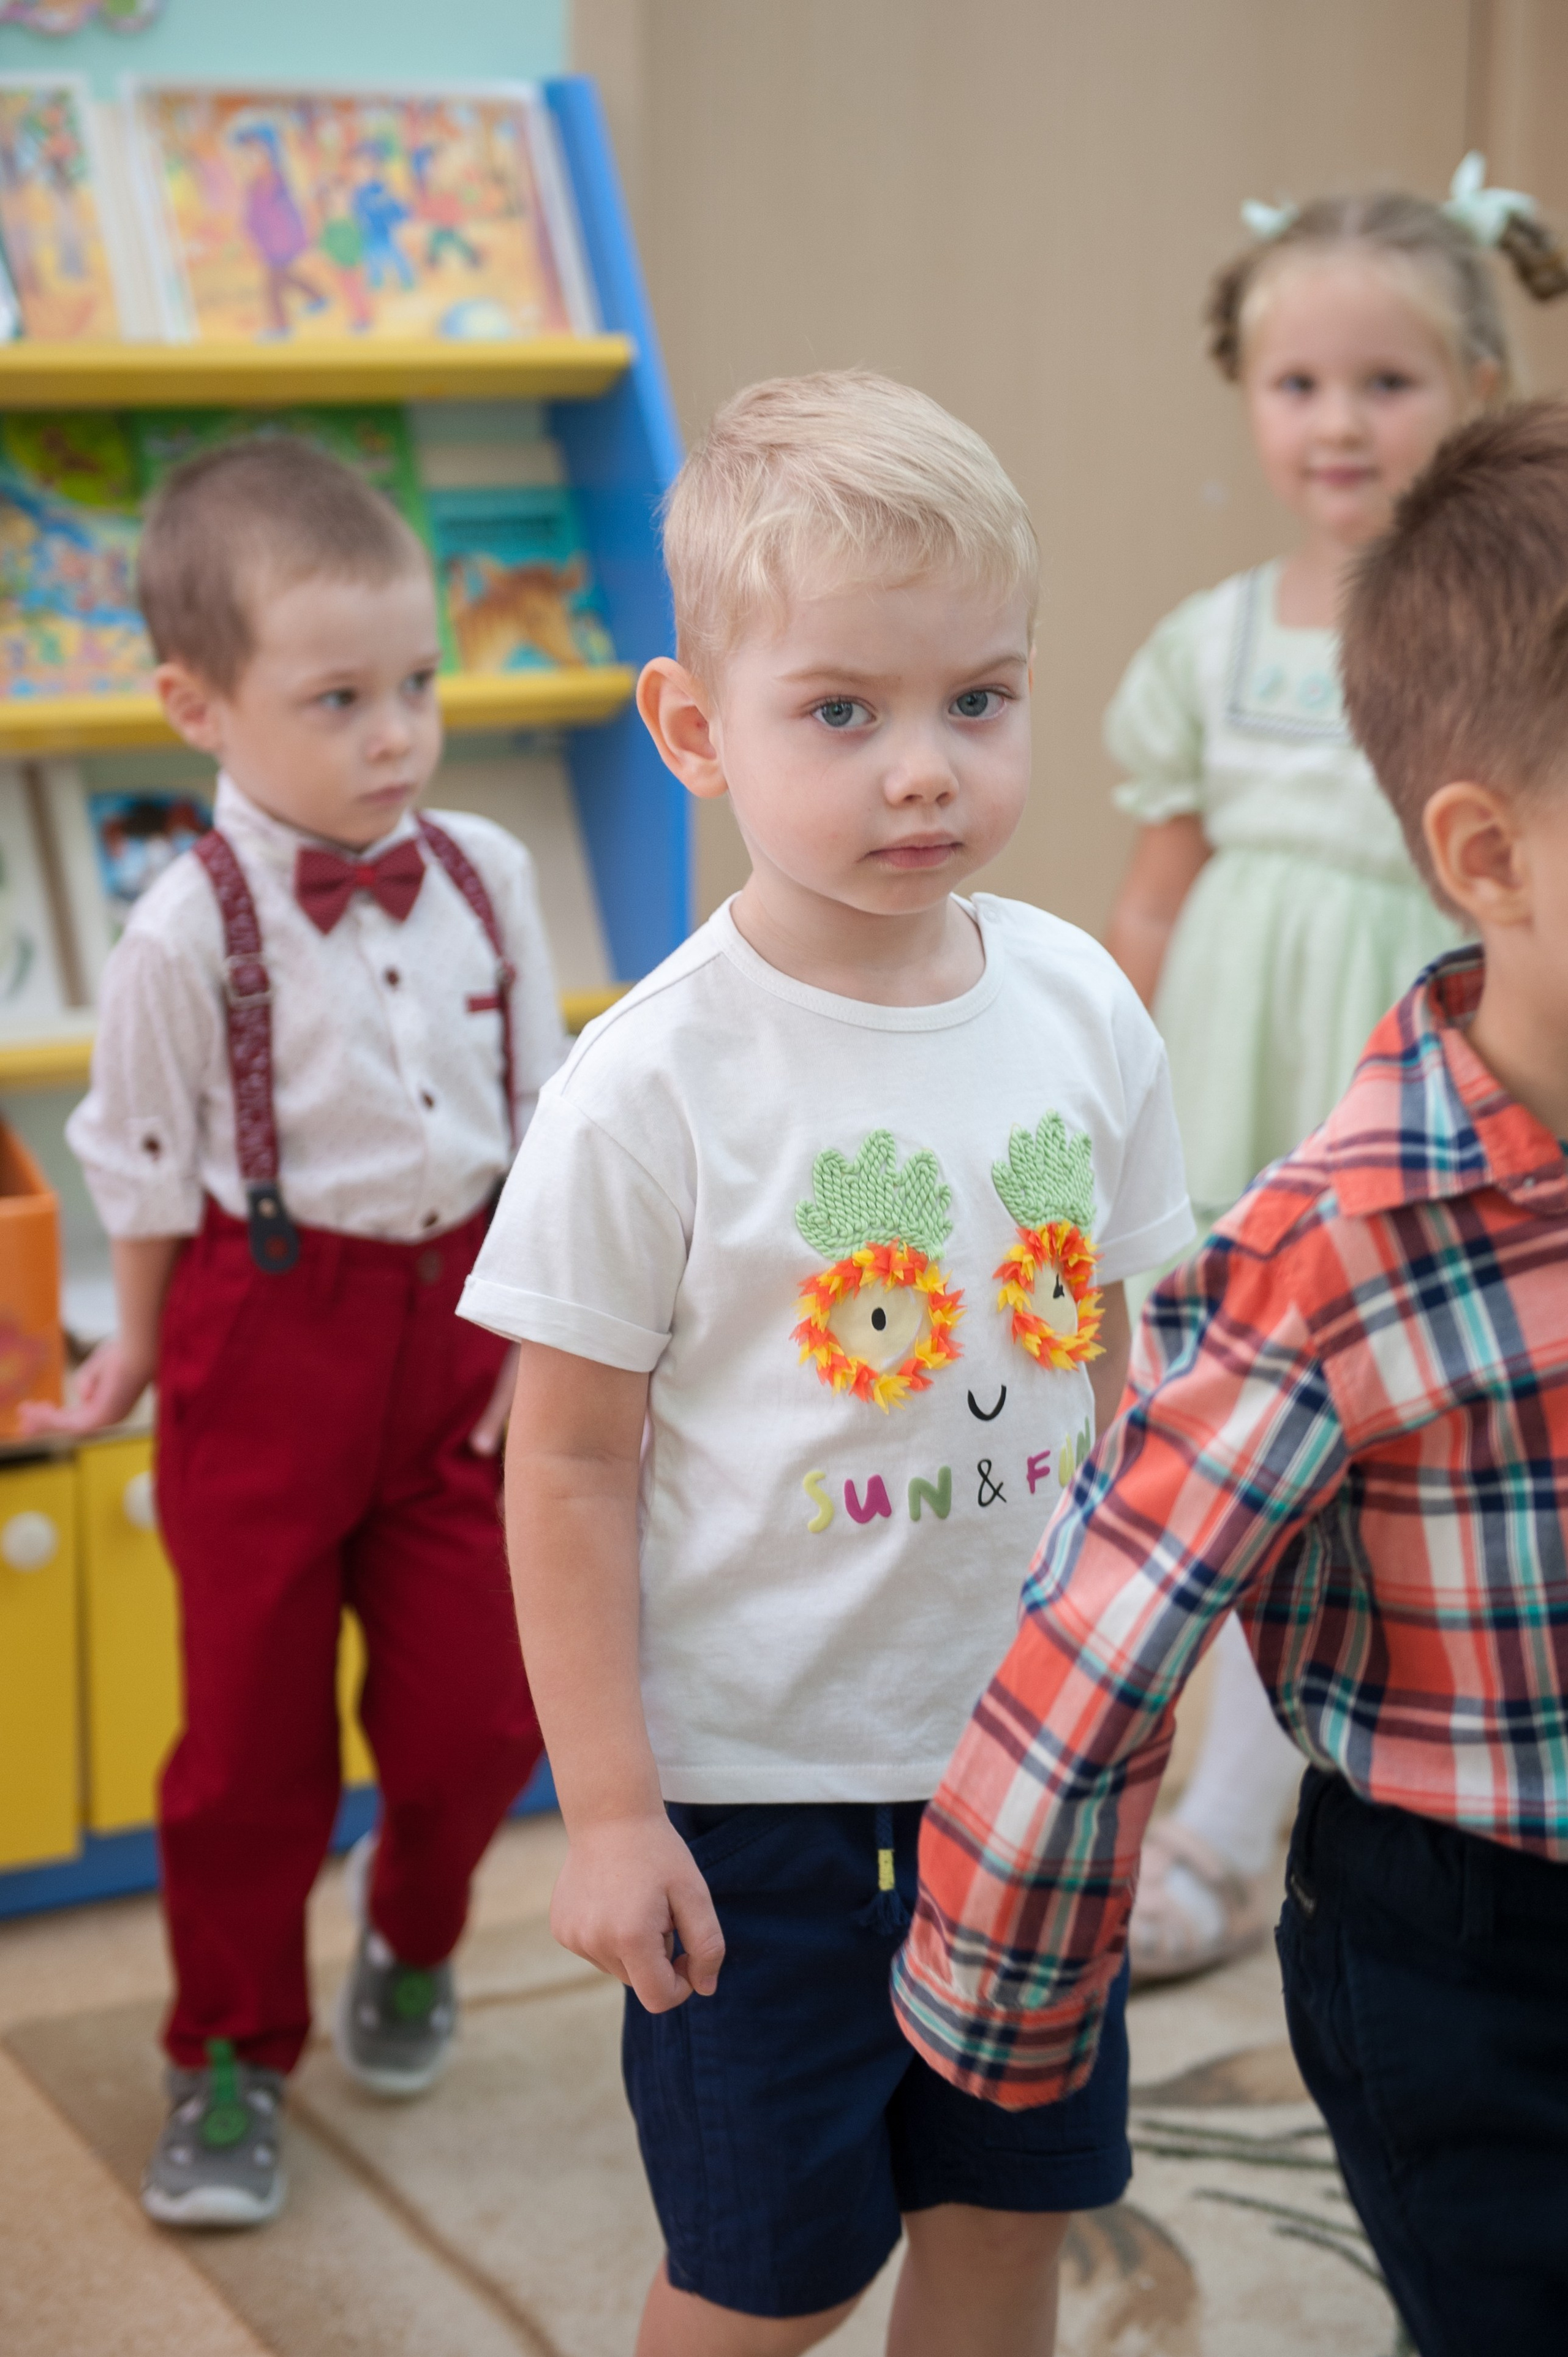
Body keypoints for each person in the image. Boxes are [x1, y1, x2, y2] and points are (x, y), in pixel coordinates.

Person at [461, 371, 1193, 2357]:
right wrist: (609, 1810)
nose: (924, 772)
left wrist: (1136, 1676)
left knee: (1002, 2221)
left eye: (980, 699)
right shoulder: (652, 1084)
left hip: (1031, 1762)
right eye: (842, 712)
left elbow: (1129, 1359)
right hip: (754, 1806)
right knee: (767, 2277)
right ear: (698, 730)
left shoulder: (1081, 1006)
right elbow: (569, 1466)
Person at [895, 398, 1568, 2357]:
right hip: (1470, 1947)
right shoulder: (1328, 1250)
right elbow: (1097, 1655)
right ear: (1489, 851)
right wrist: (1000, 2041)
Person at [23, 437, 564, 2227]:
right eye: (337, 699)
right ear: (197, 704)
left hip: (470, 1344)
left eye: (416, 683)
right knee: (248, 1754)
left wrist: (553, 1348)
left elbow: (550, 1123)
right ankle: (228, 2058)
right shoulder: (184, 933)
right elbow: (148, 1170)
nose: (394, 732)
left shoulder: (484, 867)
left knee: (483, 1717)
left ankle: (412, 1941)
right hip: (265, 1352)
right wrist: (132, 1357)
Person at [1102, 159, 1568, 1983]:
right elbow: (1152, 904)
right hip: (1240, 1112)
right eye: (1301, 385)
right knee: (1234, 1451)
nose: (1341, 423)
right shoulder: (1207, 649)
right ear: (1245, 396)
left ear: (1481, 392)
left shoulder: (1502, 658)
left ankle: (1302, 1798)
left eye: (1391, 382)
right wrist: (1093, 1094)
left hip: (1433, 1121)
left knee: (1404, 1468)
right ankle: (1206, 1808)